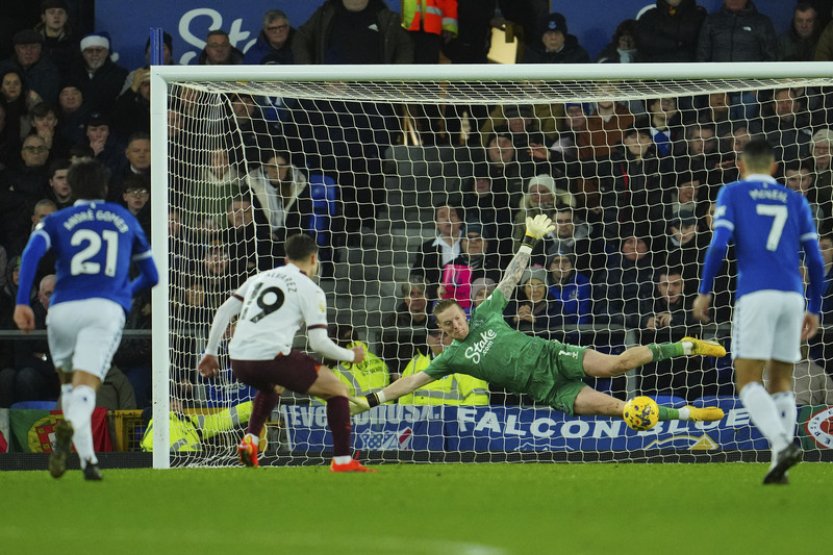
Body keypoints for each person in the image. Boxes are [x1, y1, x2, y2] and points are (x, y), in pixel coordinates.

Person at [350, 215, 727, 430]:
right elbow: (409, 382)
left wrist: (529, 240)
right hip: (546, 391)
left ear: (463, 313)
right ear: (445, 332)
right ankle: (690, 414)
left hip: (552, 355)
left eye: (456, 319)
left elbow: (511, 279)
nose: (456, 327)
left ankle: (688, 346)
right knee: (620, 408)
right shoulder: (452, 358)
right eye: (448, 327)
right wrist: (369, 401)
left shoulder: (486, 314)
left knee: (616, 365)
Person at [13, 159, 159, 480]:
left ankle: (88, 460)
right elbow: (151, 275)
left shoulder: (57, 219)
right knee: (88, 386)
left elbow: (31, 254)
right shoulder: (123, 219)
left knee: (68, 386)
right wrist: (123, 294)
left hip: (62, 312)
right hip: (101, 311)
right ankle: (69, 427)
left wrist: (23, 301)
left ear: (73, 188)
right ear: (105, 188)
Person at [693, 138, 825, 485]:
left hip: (756, 294)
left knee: (748, 380)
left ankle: (782, 443)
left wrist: (704, 291)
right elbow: (815, 258)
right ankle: (776, 465)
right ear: (774, 168)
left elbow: (719, 243)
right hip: (793, 296)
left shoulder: (732, 193)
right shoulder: (796, 199)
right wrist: (815, 307)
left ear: (740, 165)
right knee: (781, 381)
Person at [197, 233, 373, 472]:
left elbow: (224, 310)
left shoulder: (259, 278)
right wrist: (352, 355)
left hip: (238, 359)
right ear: (313, 258)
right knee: (337, 390)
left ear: (286, 258)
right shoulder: (310, 290)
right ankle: (342, 461)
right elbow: (319, 342)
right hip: (270, 358)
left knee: (274, 385)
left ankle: (251, 441)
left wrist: (210, 352)